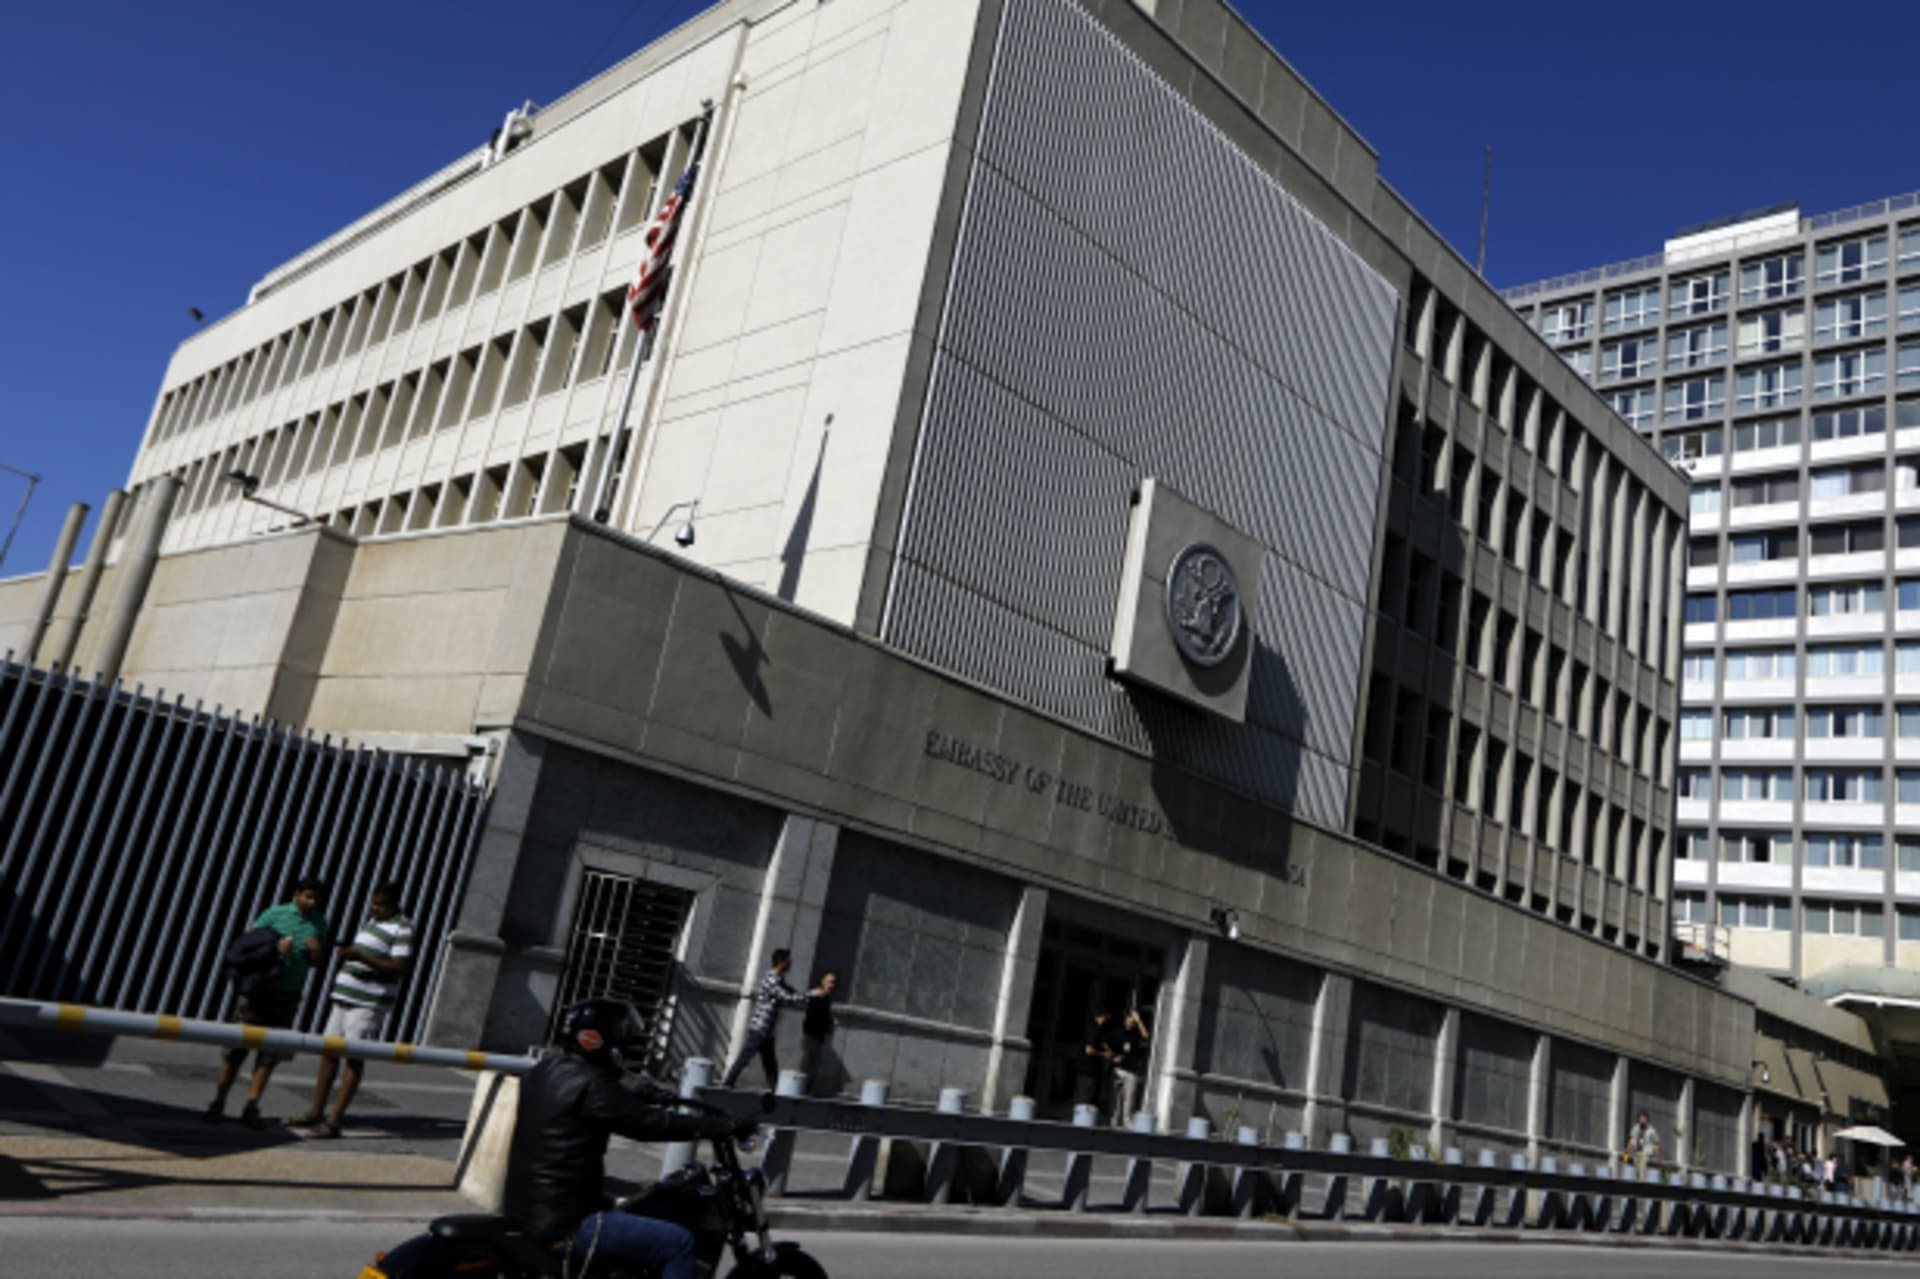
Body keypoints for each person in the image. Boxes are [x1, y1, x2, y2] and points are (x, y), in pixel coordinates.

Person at [504, 999, 745, 1279]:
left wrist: (654, 1093)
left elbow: (616, 1083)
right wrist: (719, 1127)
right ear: (598, 1039)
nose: (621, 1045)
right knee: (678, 1243)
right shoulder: (593, 1088)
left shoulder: (543, 1070)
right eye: (618, 1033)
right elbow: (648, 1123)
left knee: (638, 1206)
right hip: (567, 1224)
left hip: (533, 1208)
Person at [289, 881, 414, 1138]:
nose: (375, 908)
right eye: (374, 903)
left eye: (382, 905)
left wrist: (360, 957)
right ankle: (315, 1112)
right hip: (344, 998)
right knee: (329, 1053)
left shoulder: (402, 927)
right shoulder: (373, 922)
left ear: (395, 904)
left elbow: (399, 966)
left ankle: (334, 1121)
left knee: (353, 1057)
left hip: (367, 1003)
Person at [205, 877, 329, 1129]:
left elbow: (317, 964)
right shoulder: (275, 913)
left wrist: (316, 951)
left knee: (269, 1056)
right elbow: (247, 943)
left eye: (316, 898)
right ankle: (218, 1102)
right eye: (308, 896)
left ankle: (252, 1106)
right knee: (236, 1049)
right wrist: (276, 948)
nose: (312, 902)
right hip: (258, 991)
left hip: (287, 995)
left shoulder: (319, 922)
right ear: (297, 894)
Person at [721, 949, 823, 1089]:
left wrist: (807, 997)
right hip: (760, 1028)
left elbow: (792, 993)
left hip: (767, 1031)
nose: (790, 964)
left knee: (770, 1063)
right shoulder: (771, 980)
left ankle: (775, 1090)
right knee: (745, 1058)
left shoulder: (779, 980)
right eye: (788, 961)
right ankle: (728, 1083)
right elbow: (787, 997)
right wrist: (810, 994)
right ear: (781, 962)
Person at [798, 970, 838, 1094]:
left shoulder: (826, 998)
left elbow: (823, 1016)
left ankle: (804, 1090)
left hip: (817, 1036)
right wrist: (828, 1024)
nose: (831, 985)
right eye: (829, 982)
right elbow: (813, 1016)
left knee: (812, 1064)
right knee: (809, 1064)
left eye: (833, 982)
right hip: (811, 1035)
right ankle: (801, 1090)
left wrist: (829, 1022)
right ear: (822, 981)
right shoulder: (817, 995)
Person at [1110, 1008, 1151, 1128]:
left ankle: (1127, 1121)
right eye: (1130, 1019)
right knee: (1116, 1098)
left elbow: (1146, 1036)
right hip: (1119, 1070)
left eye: (1133, 1021)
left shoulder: (1136, 1034)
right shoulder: (1119, 1032)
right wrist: (1114, 1057)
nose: (1131, 1022)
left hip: (1132, 1072)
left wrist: (1139, 1021)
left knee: (1130, 1099)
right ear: (1126, 1018)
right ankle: (1114, 1120)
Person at [1074, 1008, 1123, 1109]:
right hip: (1086, 1068)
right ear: (1101, 1017)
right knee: (1084, 1097)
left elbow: (1103, 1043)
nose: (1107, 1020)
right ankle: (1081, 1116)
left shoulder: (1099, 1030)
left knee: (1089, 1096)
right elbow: (1089, 1050)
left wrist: (1112, 1053)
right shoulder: (1092, 1030)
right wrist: (1103, 1054)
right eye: (1106, 1017)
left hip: (1091, 1069)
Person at [1623, 1110, 1660, 1177]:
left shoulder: (1651, 1130)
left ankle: (1642, 1181)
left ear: (1647, 1119)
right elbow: (1631, 1139)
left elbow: (1656, 1144)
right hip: (1636, 1152)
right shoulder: (1636, 1128)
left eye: (1643, 1118)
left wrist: (1657, 1157)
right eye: (1640, 1118)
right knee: (1634, 1171)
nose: (1642, 1120)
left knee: (1642, 1171)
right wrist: (1627, 1150)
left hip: (1646, 1154)